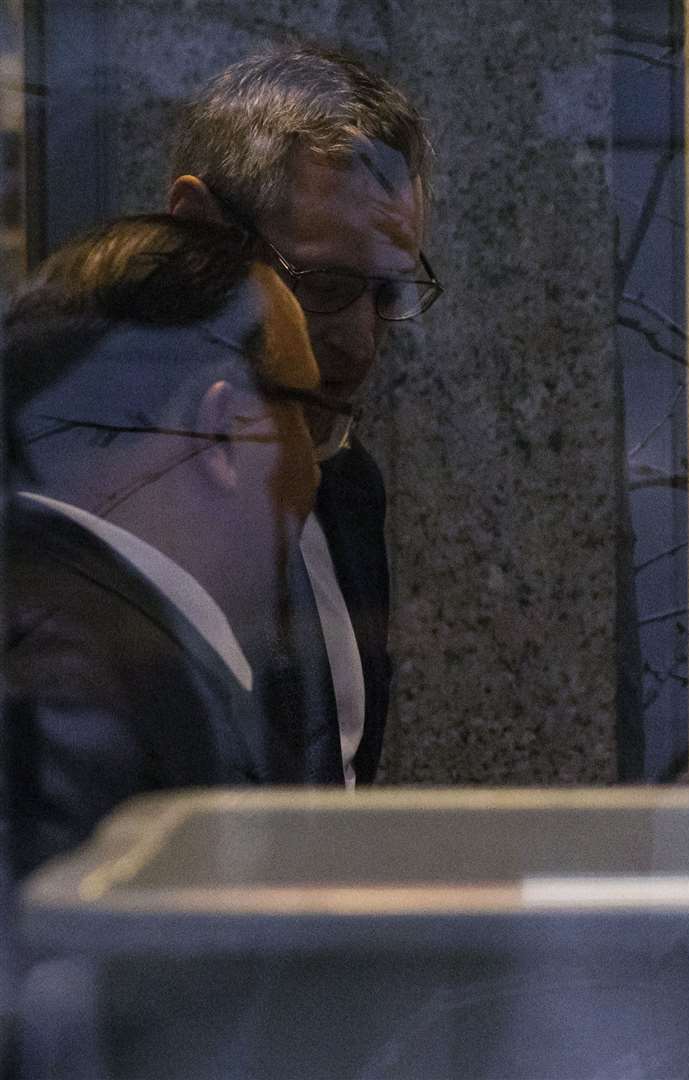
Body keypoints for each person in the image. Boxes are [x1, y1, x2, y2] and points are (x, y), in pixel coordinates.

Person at [3, 214, 333, 878]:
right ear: (221, 433)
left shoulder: (51, 626)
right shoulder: (75, 678)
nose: (318, 463)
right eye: (311, 415)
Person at [166, 44, 441, 786]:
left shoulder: (349, 490)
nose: (359, 346)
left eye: (388, 295)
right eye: (321, 285)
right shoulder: (94, 501)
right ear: (200, 235)